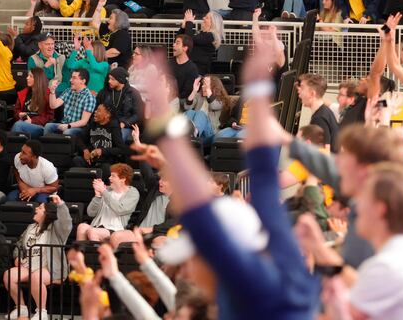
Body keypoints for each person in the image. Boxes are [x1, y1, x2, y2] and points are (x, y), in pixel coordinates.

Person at [132, 24, 319, 319]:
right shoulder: (283, 266)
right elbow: (263, 178)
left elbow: (203, 209)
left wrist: (165, 127)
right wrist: (257, 84)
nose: (185, 272)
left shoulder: (249, 295)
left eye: (193, 259)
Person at [317, 165, 403, 320]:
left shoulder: (387, 266)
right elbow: (363, 283)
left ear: (380, 209)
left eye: (363, 198)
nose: (356, 207)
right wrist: (319, 249)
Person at [4, 194, 72, 320]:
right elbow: (19, 244)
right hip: (29, 266)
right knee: (9, 275)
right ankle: (21, 308)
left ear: (47, 213)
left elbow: (66, 223)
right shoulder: (30, 227)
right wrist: (17, 256)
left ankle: (41, 312)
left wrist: (61, 205)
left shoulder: (56, 230)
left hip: (50, 268)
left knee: (37, 276)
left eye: (40, 208)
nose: (36, 209)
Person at [76, 163, 140, 241]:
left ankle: (99, 252)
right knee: (81, 227)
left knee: (93, 232)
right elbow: (91, 213)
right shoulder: (107, 190)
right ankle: (80, 253)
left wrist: (103, 191)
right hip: (98, 226)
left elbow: (120, 209)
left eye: (113, 176)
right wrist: (98, 196)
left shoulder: (132, 192)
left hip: (116, 229)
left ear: (123, 179)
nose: (109, 178)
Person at [73, 103, 126, 179]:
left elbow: (121, 149)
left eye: (99, 111)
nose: (95, 112)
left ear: (107, 115)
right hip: (91, 160)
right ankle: (84, 184)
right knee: (77, 160)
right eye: (96, 110)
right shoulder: (92, 123)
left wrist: (102, 151)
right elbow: (78, 139)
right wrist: (85, 150)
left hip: (106, 161)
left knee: (106, 168)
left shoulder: (114, 126)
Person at [95, 67, 143, 141]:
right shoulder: (105, 92)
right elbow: (97, 108)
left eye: (112, 79)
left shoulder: (133, 93)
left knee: (117, 137)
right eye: (109, 78)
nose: (109, 81)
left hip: (126, 127)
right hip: (107, 124)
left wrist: (124, 123)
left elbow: (138, 115)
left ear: (120, 80)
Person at [46, 69, 97, 136]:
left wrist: (69, 126)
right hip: (65, 124)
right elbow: (53, 105)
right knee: (48, 126)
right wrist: (52, 91)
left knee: (67, 132)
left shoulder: (89, 97)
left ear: (83, 81)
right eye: (71, 77)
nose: (70, 80)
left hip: (79, 128)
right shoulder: (68, 91)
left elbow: (84, 121)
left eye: (74, 78)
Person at [296, 73, 339, 152]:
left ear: (312, 94)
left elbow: (325, 152)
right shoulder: (325, 112)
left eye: (302, 88)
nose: (299, 92)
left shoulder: (319, 118)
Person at [184, 75, 232, 145]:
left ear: (214, 86)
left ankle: (194, 133)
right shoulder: (199, 96)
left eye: (206, 84)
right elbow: (187, 107)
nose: (203, 86)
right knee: (190, 112)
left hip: (210, 133)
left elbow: (214, 106)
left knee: (201, 113)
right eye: (203, 84)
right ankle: (186, 134)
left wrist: (208, 90)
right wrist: (194, 91)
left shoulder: (220, 99)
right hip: (198, 138)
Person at [11, 68, 55, 138]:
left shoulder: (48, 94)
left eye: (30, 76)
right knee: (18, 124)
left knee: (18, 125)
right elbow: (16, 110)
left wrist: (32, 121)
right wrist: (19, 114)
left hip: (39, 126)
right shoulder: (23, 93)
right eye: (28, 75)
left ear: (38, 79)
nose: (27, 78)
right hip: (23, 122)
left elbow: (50, 116)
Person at [178, 9, 223, 75]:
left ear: (213, 23)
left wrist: (189, 22)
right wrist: (183, 27)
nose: (203, 18)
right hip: (188, 68)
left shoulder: (211, 36)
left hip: (197, 71)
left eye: (207, 18)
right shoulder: (200, 34)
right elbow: (180, 39)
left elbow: (189, 39)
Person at [92, 0, 132, 69]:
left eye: (110, 18)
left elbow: (115, 52)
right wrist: (99, 6)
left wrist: (96, 56)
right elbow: (95, 23)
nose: (108, 21)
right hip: (101, 63)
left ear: (118, 21)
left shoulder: (123, 34)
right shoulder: (107, 29)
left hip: (116, 67)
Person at [170, 34, 199, 100]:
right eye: (174, 43)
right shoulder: (168, 64)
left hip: (181, 102)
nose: (173, 45)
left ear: (185, 48)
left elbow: (187, 92)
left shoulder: (192, 68)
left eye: (177, 43)